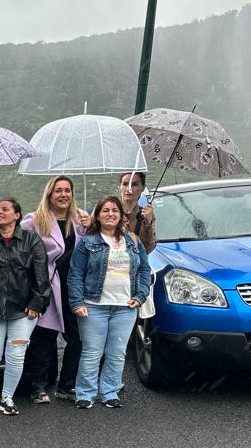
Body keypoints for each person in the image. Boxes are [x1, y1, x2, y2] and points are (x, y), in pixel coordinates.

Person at [68, 195, 152, 408]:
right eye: (105, 210)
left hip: (125, 307)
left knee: (117, 353)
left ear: (122, 216)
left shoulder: (133, 241)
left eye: (114, 210)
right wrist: (77, 302)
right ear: (97, 215)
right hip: (93, 305)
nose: (110, 214)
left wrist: (140, 295)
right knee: (92, 352)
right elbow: (75, 273)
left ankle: (110, 392)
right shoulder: (87, 242)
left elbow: (143, 269)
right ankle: (85, 394)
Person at [0, 198, 50, 416]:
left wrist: (37, 302)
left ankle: (7, 397)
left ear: (17, 215)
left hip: (23, 312)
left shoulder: (31, 240)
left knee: (16, 355)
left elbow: (41, 275)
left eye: (4, 209)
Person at [20, 176, 91, 403]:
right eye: (58, 190)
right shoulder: (34, 220)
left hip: (73, 287)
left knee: (77, 339)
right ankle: (38, 386)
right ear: (49, 195)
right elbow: (12, 235)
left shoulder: (80, 218)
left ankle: (66, 385)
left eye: (67, 190)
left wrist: (91, 227)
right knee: (44, 339)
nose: (63, 195)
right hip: (47, 286)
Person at [118, 171, 157, 253]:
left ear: (143, 188)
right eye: (125, 184)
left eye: (134, 184)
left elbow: (148, 248)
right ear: (119, 187)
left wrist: (148, 223)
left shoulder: (145, 214)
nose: (129, 188)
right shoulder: (106, 210)